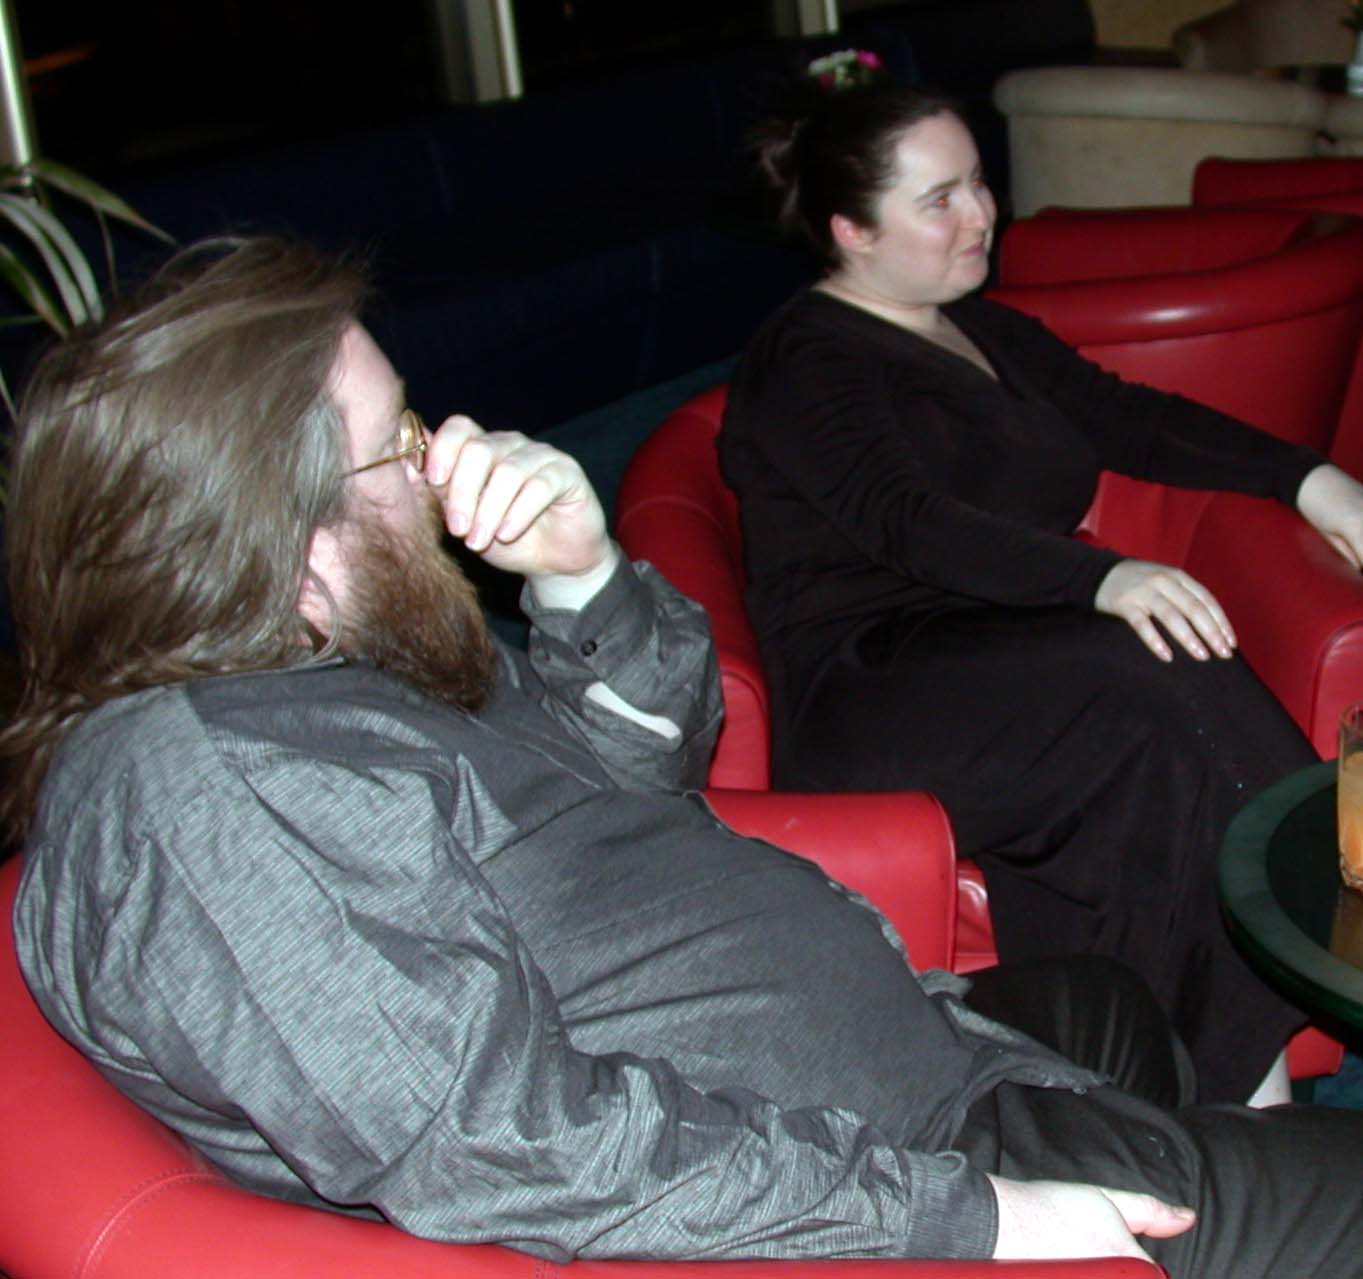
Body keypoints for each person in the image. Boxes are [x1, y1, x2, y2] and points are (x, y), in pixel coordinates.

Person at [6, 236, 1363, 1278]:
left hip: (907, 1055)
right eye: (400, 444)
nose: (443, 460)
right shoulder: (215, 795)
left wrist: (578, 576)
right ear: (281, 533)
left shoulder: (322, 666)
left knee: (1111, 1002)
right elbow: (503, 1145)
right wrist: (982, 1215)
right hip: (885, 1158)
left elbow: (629, 779)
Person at [717, 80, 1363, 1106]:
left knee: (1174, 687)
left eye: (978, 182)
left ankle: (1226, 1062)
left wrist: (1308, 477)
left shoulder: (975, 327)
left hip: (996, 645)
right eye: (939, 200)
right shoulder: (804, 360)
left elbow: (1130, 417)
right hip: (873, 687)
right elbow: (906, 520)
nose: (981, 214)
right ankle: (1269, 1017)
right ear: (850, 230)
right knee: (1144, 677)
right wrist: (1101, 576)